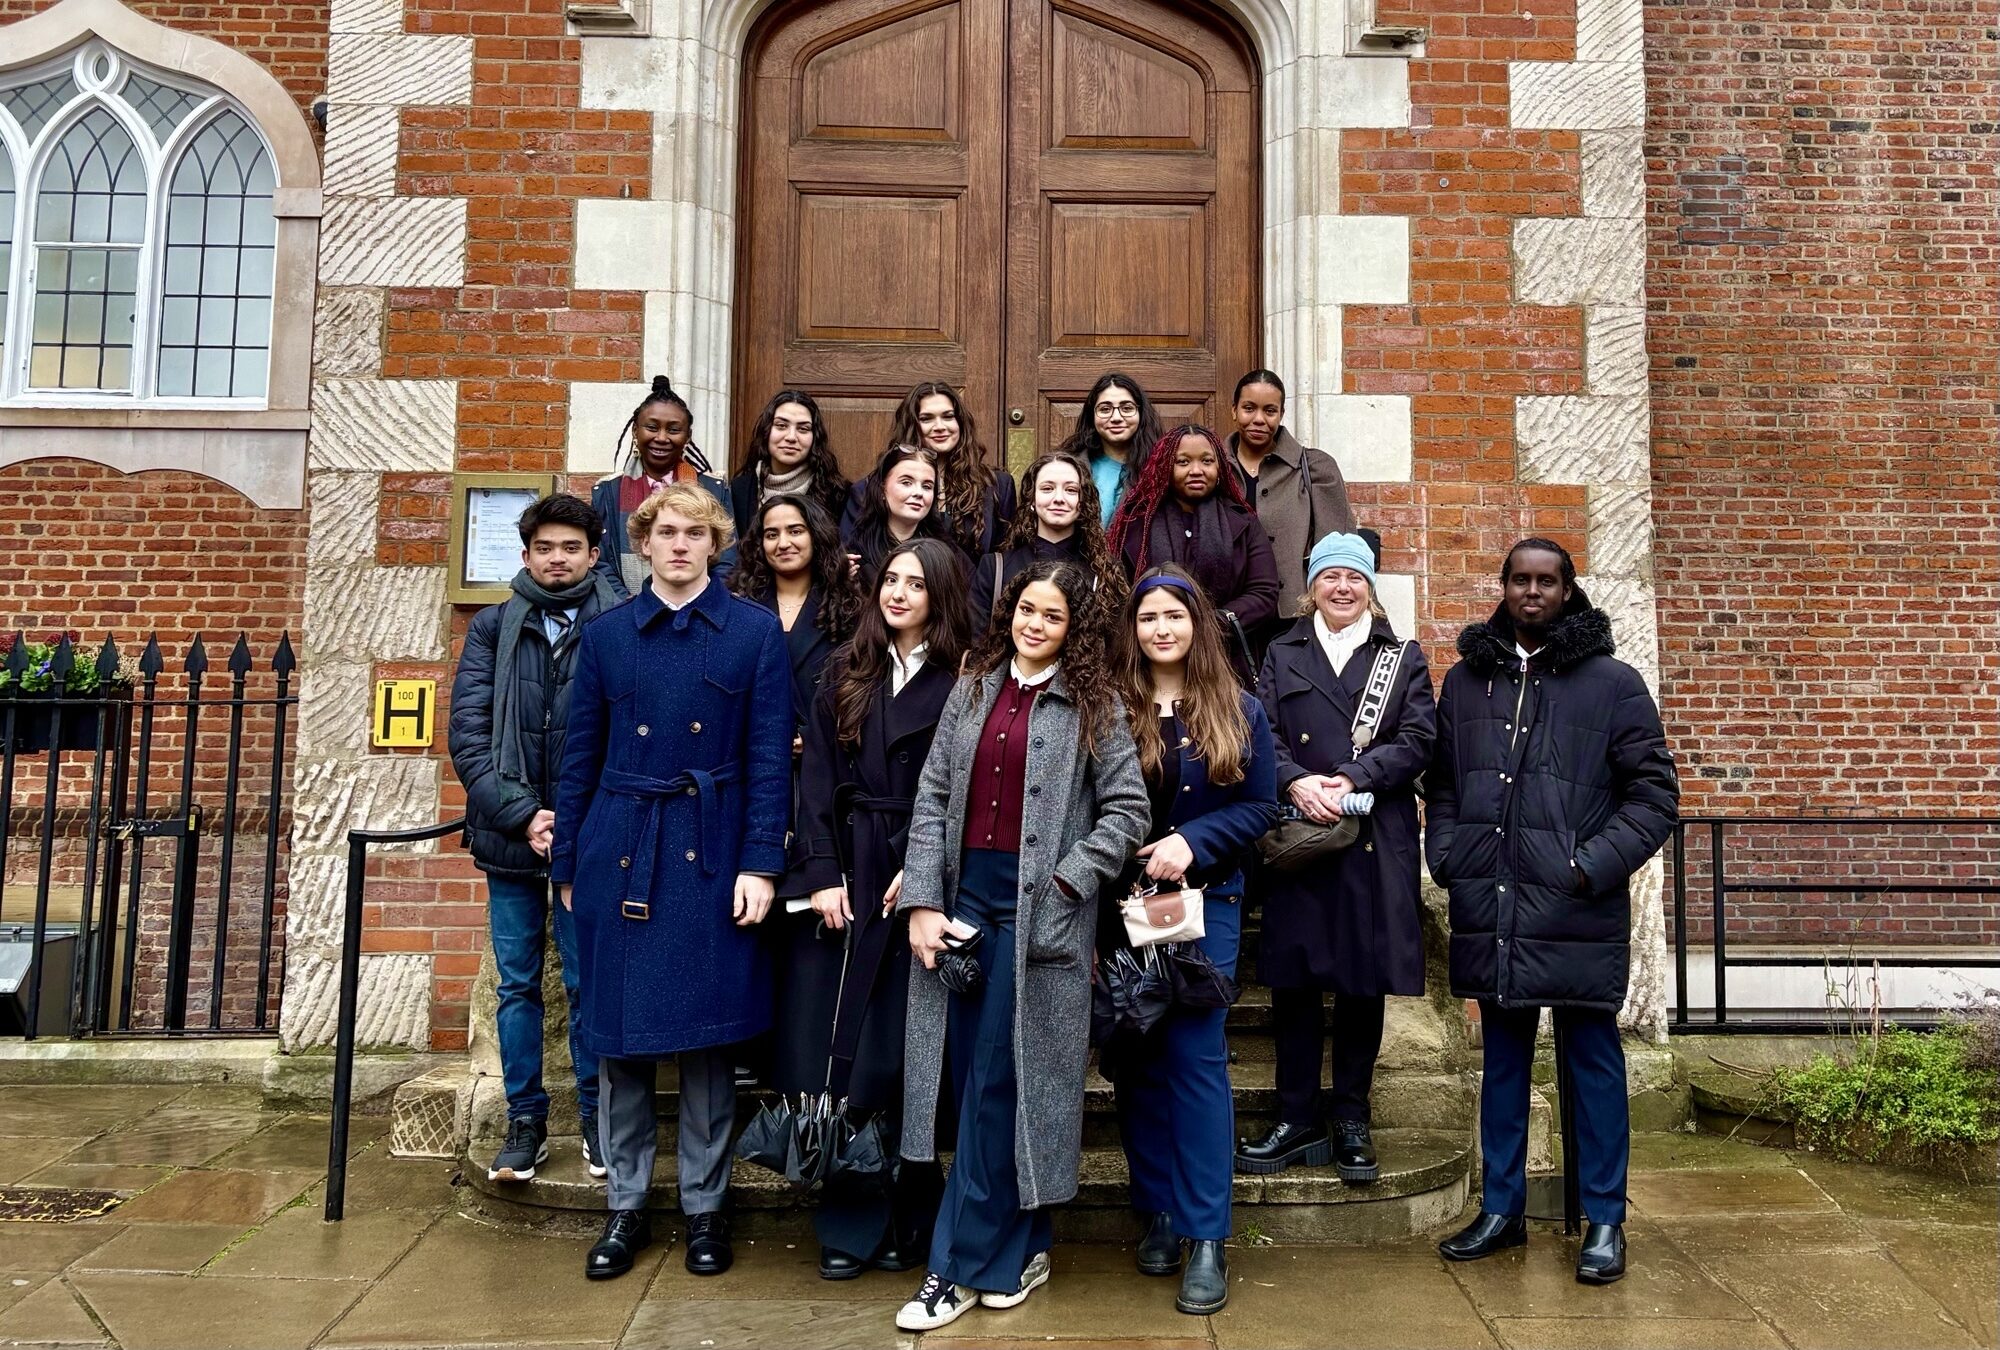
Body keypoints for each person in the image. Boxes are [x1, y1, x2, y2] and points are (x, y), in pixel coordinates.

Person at [892, 560, 1149, 1332]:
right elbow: (933, 793)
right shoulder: (973, 686)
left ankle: (954, 1269)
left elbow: (1128, 812)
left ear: (1075, 632)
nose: (1035, 625)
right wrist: (921, 900)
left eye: (1054, 617)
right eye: (1027, 609)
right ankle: (1024, 1248)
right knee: (974, 1084)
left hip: (1040, 922)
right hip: (964, 907)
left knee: (1001, 1088)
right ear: (1010, 611)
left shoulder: (1094, 705)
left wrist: (1070, 882)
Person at [550, 482, 792, 1282]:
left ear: (715, 545)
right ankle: (625, 1206)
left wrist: (762, 862)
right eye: (666, 532)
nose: (681, 545)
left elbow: (767, 763)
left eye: (696, 533)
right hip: (621, 850)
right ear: (642, 544)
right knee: (617, 1039)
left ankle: (704, 1208)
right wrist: (568, 865)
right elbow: (578, 756)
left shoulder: (753, 633)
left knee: (708, 1044)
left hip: (712, 850)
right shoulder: (609, 636)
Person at [1430, 538, 1678, 1285]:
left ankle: (1604, 1218)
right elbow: (1441, 784)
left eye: (1547, 581)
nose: (1532, 592)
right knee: (1502, 1065)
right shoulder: (1469, 682)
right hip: (1494, 903)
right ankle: (1501, 1209)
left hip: (1575, 906)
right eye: (1519, 580)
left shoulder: (1614, 684)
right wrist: (1449, 854)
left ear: (1569, 591)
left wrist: (1586, 866)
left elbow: (1654, 799)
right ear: (1502, 587)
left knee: (1591, 1065)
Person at [783, 537, 975, 1280]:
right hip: (850, 883)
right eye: (890, 580)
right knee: (846, 1057)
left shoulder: (969, 678)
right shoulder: (845, 669)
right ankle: (851, 1218)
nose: (896, 593)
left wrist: (925, 871)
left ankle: (916, 1221)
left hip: (926, 884)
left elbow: (966, 789)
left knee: (916, 1059)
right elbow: (815, 781)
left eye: (915, 584)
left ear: (942, 596)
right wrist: (822, 872)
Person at [1106, 566, 1279, 1316]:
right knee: (1137, 1058)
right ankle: (1159, 1211)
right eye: (1148, 618)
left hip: (1205, 907)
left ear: (1196, 622)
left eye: (1173, 615)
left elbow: (1264, 806)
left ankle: (1207, 1235)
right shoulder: (1110, 706)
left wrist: (1194, 840)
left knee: (1196, 1061)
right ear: (1134, 630)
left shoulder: (1238, 707)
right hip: (1125, 908)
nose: (1161, 629)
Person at [1237, 532, 1435, 1181]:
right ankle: (1296, 1118)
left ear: (1369, 587)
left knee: (1360, 982)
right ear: (1312, 586)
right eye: (1330, 578)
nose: (1342, 588)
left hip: (1371, 840)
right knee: (1294, 983)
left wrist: (1353, 777)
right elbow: (1256, 731)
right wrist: (1294, 779)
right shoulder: (1280, 650)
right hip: (1300, 835)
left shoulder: (1400, 657)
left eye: (1354, 578)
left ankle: (1351, 1114)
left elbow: (1418, 740)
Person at [448, 493, 623, 1186]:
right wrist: (524, 814)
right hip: (510, 840)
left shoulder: (617, 625)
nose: (558, 559)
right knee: (519, 986)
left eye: (571, 548)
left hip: (590, 839)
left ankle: (595, 1118)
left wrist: (574, 821)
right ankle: (526, 1123)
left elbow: (625, 732)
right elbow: (467, 737)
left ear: (593, 553)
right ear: (525, 556)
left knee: (588, 985)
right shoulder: (493, 628)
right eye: (545, 548)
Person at [1107, 424, 1281, 681]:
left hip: (1225, 663)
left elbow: (1264, 592)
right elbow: (1117, 596)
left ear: (1220, 466)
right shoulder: (1135, 526)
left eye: (1207, 461)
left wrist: (1207, 625)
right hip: (1150, 665)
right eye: (1183, 462)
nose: (1196, 470)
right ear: (1166, 467)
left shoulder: (1243, 522)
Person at [1220, 370, 1357, 633]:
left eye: (1270, 411)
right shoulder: (1212, 466)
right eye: (1249, 408)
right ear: (1234, 410)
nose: (1259, 419)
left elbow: (1337, 547)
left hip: (1294, 618)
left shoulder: (1315, 467)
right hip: (1229, 617)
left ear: (1281, 414)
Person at [727, 493, 861, 758]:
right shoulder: (737, 608)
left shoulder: (848, 608)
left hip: (822, 768)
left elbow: (862, 690)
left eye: (795, 531)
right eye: (771, 534)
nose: (783, 543)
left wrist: (815, 738)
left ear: (816, 536)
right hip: (751, 760)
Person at [591, 375, 733, 596]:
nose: (662, 437)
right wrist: (628, 606)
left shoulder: (713, 489)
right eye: (652, 427)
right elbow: (600, 563)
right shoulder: (608, 491)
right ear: (635, 431)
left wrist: (697, 602)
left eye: (674, 430)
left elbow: (727, 558)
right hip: (626, 614)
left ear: (688, 436)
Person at [845, 382, 1016, 559]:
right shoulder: (867, 489)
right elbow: (851, 556)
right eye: (926, 418)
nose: (940, 426)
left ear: (961, 423)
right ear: (912, 425)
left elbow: (1005, 561)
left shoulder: (997, 486)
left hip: (975, 585)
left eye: (948, 417)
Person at [967, 449, 1121, 624]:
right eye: (1047, 489)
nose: (1058, 498)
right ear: (1031, 499)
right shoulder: (995, 569)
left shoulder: (1103, 574)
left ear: (1083, 502)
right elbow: (978, 642)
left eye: (1071, 490)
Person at [728, 389, 849, 544]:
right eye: (781, 425)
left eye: (803, 429)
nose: (791, 437)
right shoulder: (740, 490)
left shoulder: (838, 494)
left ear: (815, 437)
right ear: (766, 431)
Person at [1056, 371, 1167, 526]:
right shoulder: (1067, 466)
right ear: (1092, 416)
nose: (1116, 418)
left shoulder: (1161, 468)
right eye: (1105, 409)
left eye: (1127, 408)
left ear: (1141, 414)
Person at [842, 443, 955, 580]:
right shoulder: (854, 556)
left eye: (927, 486)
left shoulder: (947, 554)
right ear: (883, 489)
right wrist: (843, 583)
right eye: (906, 482)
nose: (918, 493)